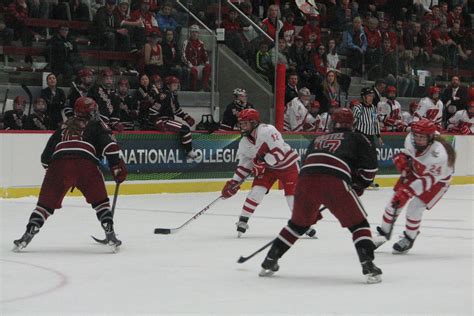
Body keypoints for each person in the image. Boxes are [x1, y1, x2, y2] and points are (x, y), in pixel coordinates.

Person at [259, 108, 382, 284]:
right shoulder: (358, 138)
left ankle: (270, 259)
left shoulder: (318, 139)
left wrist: (310, 207)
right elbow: (370, 169)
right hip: (334, 180)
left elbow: (310, 164)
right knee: (358, 224)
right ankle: (368, 265)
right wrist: (359, 184)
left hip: (304, 181)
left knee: (297, 225)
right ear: (352, 123)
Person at [12, 97, 127, 252]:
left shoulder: (63, 127)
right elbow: (111, 147)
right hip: (85, 165)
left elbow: (45, 159)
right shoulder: (97, 124)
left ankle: (28, 234)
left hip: (58, 164)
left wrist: (57, 174)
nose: (95, 113)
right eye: (92, 110)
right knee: (101, 202)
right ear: (87, 112)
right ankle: (109, 231)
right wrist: (116, 167)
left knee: (43, 206)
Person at [220, 109, 316, 238]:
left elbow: (279, 153)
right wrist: (234, 182)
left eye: (245, 123)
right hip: (268, 169)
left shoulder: (268, 130)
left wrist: (261, 163)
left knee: (291, 197)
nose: (241, 126)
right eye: (241, 124)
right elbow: (244, 164)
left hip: (287, 165)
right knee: (256, 192)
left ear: (254, 122)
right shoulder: (244, 142)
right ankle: (243, 220)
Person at [373, 119, 455, 254]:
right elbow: (408, 153)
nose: (418, 139)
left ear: (431, 137)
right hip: (417, 171)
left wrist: (407, 191)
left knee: (415, 207)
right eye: (416, 135)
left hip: (438, 181)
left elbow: (427, 181)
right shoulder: (410, 139)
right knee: (394, 202)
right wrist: (402, 158)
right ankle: (383, 233)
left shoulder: (439, 154)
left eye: (422, 137)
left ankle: (409, 238)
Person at [149, 76, 197, 161]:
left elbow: (177, 110)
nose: (176, 87)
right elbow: (153, 111)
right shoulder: (163, 96)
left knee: (185, 129)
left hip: (169, 119)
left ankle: (188, 151)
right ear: (168, 86)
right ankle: (189, 151)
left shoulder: (173, 96)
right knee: (185, 129)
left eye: (176, 85)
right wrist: (157, 121)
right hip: (165, 121)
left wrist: (186, 117)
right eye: (174, 85)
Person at [182, 25, 211, 91]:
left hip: (198, 66)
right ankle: (193, 89)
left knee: (208, 67)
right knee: (193, 70)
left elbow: (205, 55)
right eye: (193, 32)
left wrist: (206, 62)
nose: (194, 34)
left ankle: (204, 88)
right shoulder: (186, 42)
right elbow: (183, 56)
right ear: (190, 33)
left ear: (198, 33)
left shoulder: (201, 43)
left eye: (196, 32)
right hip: (189, 66)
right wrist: (190, 65)